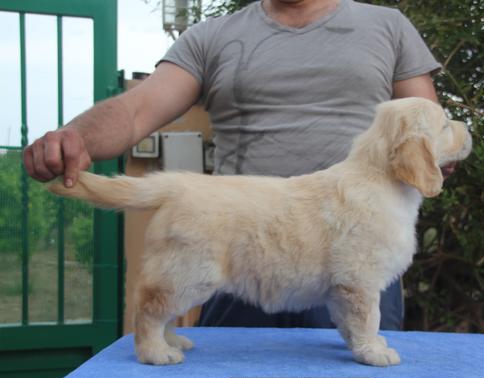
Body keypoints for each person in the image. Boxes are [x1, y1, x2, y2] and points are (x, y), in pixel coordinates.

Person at [24, 0, 451, 330]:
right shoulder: (211, 36)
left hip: (354, 252)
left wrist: (437, 160)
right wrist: (76, 137)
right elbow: (137, 110)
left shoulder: (389, 26)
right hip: (242, 250)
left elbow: (428, 133)